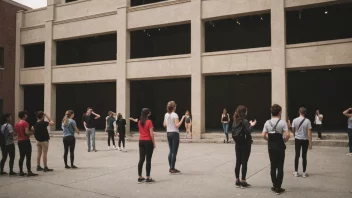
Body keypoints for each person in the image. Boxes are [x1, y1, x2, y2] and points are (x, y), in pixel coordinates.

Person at [262, 104, 290, 195]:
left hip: (271, 146)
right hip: (280, 146)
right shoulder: (282, 123)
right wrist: (284, 141)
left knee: (273, 165)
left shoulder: (267, 122)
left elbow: (263, 135)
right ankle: (278, 186)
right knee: (280, 166)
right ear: (279, 112)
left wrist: (269, 140)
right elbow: (287, 135)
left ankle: (274, 185)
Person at [232, 105, 257, 188]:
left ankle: (237, 180)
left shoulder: (235, 121)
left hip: (238, 144)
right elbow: (248, 131)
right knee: (244, 162)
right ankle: (243, 181)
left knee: (238, 162)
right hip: (245, 144)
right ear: (244, 112)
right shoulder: (245, 121)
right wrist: (252, 125)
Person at [164, 101, 185, 174]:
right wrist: (182, 119)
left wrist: (169, 123)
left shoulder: (166, 114)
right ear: (173, 107)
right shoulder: (175, 115)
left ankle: (171, 167)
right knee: (174, 152)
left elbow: (164, 124)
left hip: (168, 132)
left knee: (170, 150)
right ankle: (172, 168)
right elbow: (177, 125)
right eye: (175, 106)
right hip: (174, 133)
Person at [14, 111, 38, 177]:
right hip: (26, 141)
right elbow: (27, 132)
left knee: (21, 156)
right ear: (24, 115)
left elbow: (16, 133)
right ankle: (29, 172)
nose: (27, 116)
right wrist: (33, 132)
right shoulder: (25, 123)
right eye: (26, 115)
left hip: (20, 141)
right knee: (28, 157)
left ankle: (21, 171)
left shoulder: (17, 124)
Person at [135, 108, 155, 183]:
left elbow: (141, 131)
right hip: (148, 141)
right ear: (147, 114)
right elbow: (151, 134)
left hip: (141, 141)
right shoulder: (149, 122)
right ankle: (148, 177)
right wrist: (154, 143)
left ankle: (140, 176)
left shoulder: (139, 122)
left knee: (141, 159)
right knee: (148, 159)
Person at [292, 107, 313, 178]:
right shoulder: (308, 121)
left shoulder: (294, 120)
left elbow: (293, 129)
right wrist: (310, 143)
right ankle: (304, 172)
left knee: (297, 155)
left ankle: (296, 172)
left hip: (297, 139)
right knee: (304, 156)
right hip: (305, 140)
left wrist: (295, 134)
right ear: (305, 112)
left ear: (299, 112)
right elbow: (309, 132)